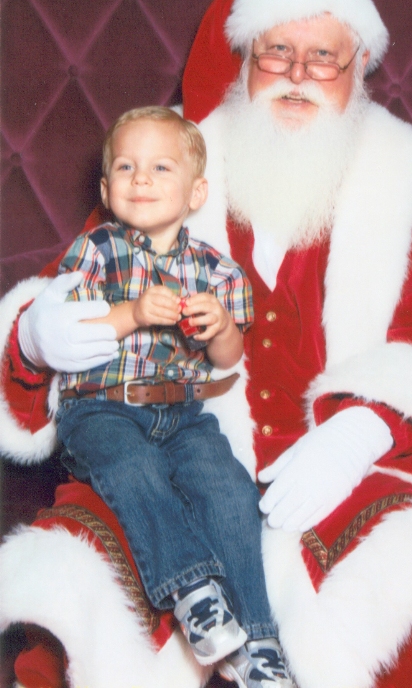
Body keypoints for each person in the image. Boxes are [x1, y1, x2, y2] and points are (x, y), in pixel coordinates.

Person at [0, 0, 412, 688]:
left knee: (410, 568)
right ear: (243, 62)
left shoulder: (405, 195)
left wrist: (358, 433)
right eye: (276, 53)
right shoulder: (169, 170)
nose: (297, 76)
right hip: (173, 448)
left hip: (336, 469)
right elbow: (65, 295)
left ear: (358, 69)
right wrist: (36, 333)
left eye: (323, 58)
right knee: (84, 574)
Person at [53, 105, 294, 688]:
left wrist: (222, 328)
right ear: (106, 190)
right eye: (126, 167)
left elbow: (229, 360)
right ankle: (194, 593)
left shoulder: (217, 272)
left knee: (229, 487)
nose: (141, 178)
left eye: (161, 167)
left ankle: (259, 641)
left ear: (196, 192)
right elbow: (66, 334)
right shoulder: (94, 252)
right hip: (101, 407)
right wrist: (131, 313)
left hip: (182, 412)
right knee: (134, 467)